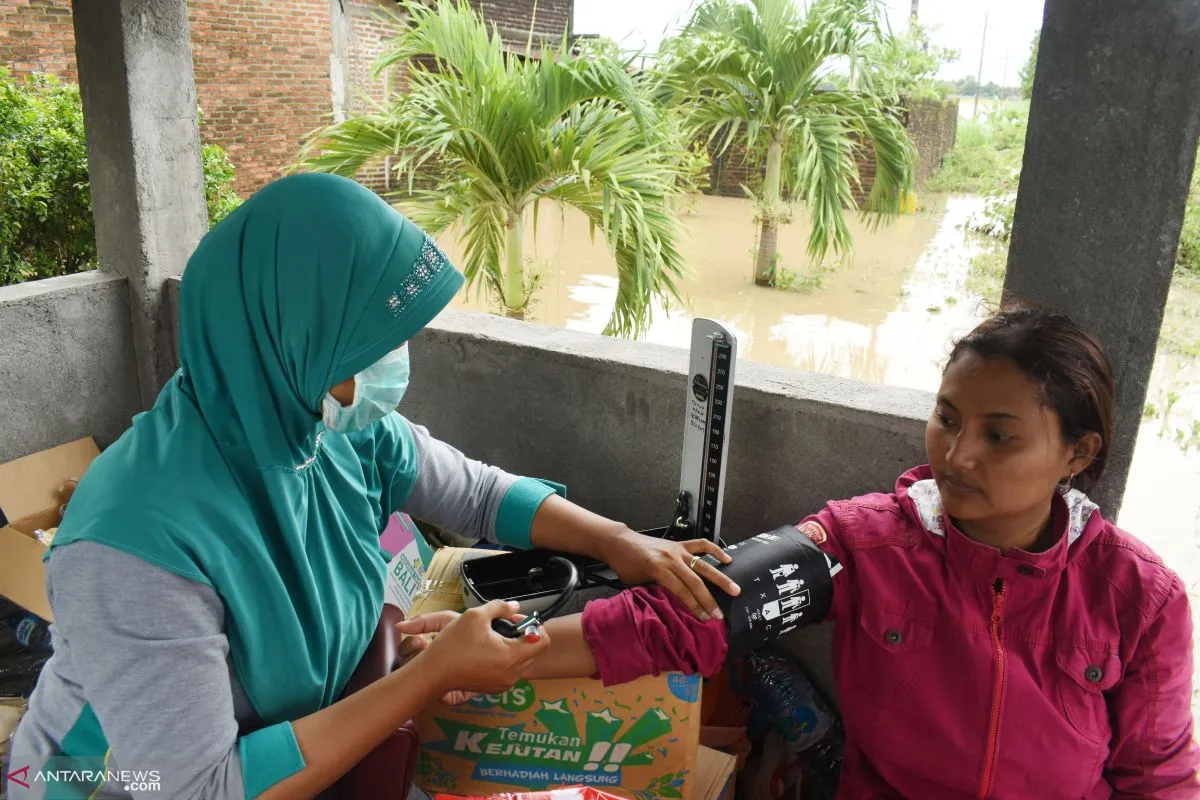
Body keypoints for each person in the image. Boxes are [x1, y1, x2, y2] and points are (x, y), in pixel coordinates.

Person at [8, 173, 740, 800]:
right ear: (285, 335)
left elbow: (480, 494)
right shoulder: (132, 542)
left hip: (294, 746)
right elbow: (201, 786)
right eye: (365, 341)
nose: (394, 361)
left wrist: (624, 541)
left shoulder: (323, 427)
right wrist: (424, 680)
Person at [401, 304, 1200, 798]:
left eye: (999, 436)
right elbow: (688, 616)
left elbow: (1158, 774)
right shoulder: (863, 542)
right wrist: (500, 650)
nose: (957, 456)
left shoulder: (1141, 598)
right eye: (948, 418)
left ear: (1075, 453)